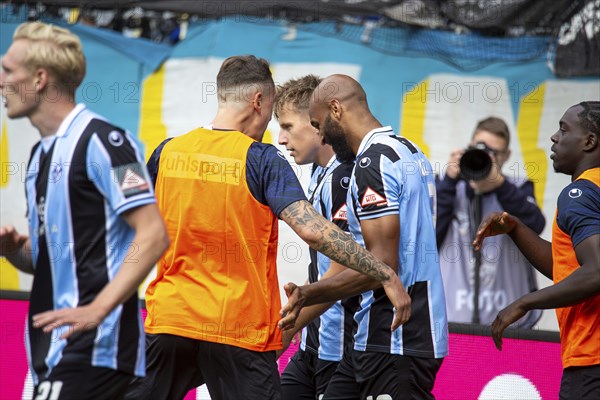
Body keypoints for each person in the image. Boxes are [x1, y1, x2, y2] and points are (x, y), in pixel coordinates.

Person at [125, 57, 410, 400]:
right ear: (258, 101)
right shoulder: (261, 159)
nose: (275, 131)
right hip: (236, 330)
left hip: (171, 319)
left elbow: (125, 210)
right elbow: (313, 230)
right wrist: (382, 271)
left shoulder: (166, 152)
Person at [0, 22, 169, 399]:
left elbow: (154, 233)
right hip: (52, 353)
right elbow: (45, 261)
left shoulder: (107, 142)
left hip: (98, 351)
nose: (1, 81)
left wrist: (98, 309)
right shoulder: (37, 158)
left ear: (40, 78)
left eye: (8, 70)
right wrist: (13, 250)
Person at [281, 74, 448, 399]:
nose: (322, 134)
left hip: (395, 336)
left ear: (336, 109)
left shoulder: (371, 164)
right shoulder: (408, 149)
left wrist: (307, 295)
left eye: (319, 123)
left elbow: (381, 265)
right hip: (385, 336)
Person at [474, 101, 600, 400]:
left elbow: (595, 271)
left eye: (563, 129)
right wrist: (516, 229)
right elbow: (569, 268)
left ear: (589, 141)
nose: (554, 138)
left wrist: (524, 303)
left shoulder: (579, 194)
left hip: (591, 360)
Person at [275, 74, 357, 400]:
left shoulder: (344, 177)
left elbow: (349, 266)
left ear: (315, 122)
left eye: (288, 127)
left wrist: (289, 324)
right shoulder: (318, 172)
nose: (281, 139)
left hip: (338, 348)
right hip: (313, 343)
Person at [436, 117, 545, 326]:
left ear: (506, 156)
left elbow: (536, 225)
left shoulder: (518, 186)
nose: (485, 157)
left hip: (510, 322)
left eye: (493, 153)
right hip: (452, 321)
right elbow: (429, 234)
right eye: (479, 149)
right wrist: (449, 180)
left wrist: (500, 185)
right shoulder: (448, 187)